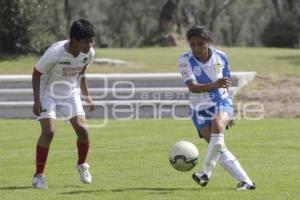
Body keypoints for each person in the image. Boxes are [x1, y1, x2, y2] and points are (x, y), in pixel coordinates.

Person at [178, 26, 256, 191]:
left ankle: (205, 173)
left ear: (208, 42)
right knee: (218, 147)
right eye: (193, 45)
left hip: (220, 102)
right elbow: (193, 87)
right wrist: (215, 85)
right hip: (198, 109)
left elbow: (225, 84)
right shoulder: (185, 59)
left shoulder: (221, 56)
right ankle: (247, 182)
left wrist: (228, 112)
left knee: (217, 123)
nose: (197, 48)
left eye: (201, 44)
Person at [31, 19, 96, 189]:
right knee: (49, 132)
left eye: (91, 40)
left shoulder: (89, 53)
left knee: (83, 130)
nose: (89, 44)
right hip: (47, 93)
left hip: (69, 92)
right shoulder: (55, 53)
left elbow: (82, 72)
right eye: (86, 41)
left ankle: (82, 164)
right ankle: (39, 176)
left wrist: (86, 96)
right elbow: (36, 73)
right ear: (74, 40)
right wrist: (37, 100)